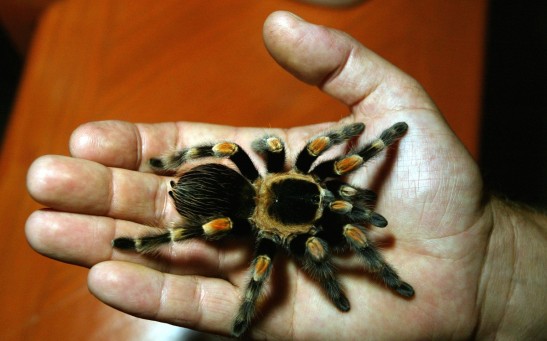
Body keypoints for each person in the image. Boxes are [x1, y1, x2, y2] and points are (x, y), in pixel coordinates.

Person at [25, 11, 546, 340]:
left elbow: (294, 151)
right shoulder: (303, 218)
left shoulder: (304, 174)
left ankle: (162, 194)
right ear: (301, 173)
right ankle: (155, 230)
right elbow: (300, 176)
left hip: (245, 190)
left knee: (237, 160)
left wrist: (488, 270)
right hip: (233, 202)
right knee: (236, 208)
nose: (330, 189)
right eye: (327, 182)